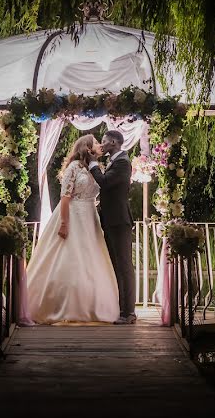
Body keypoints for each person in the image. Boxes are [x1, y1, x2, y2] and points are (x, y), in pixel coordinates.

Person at [25, 135, 120, 324]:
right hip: (73, 214)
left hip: (90, 217)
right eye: (96, 143)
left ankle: (92, 306)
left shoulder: (96, 169)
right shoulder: (73, 167)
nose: (100, 145)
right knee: (69, 259)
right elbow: (65, 197)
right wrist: (63, 223)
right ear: (87, 147)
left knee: (91, 261)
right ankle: (61, 306)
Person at [88, 130, 136, 325]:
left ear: (114, 142)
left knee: (124, 266)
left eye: (104, 141)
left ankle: (129, 312)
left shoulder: (123, 163)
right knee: (116, 265)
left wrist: (92, 165)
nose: (101, 144)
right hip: (111, 221)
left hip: (119, 221)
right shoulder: (115, 162)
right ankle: (120, 309)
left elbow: (105, 182)